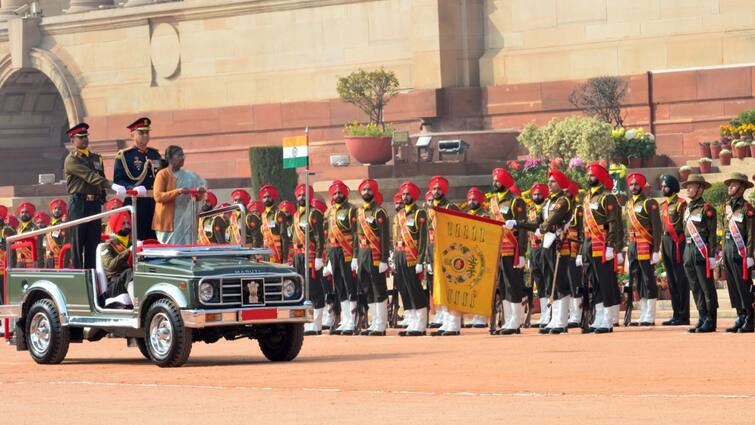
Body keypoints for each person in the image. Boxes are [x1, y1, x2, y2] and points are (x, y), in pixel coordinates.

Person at [512, 169, 573, 334]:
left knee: (559, 282)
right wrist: (518, 224)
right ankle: (554, 318)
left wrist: (542, 228)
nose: (550, 184)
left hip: (558, 243)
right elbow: (537, 223)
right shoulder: (547, 203)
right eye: (550, 181)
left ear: (560, 184)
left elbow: (552, 219)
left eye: (553, 181)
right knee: (551, 281)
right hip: (547, 243)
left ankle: (562, 320)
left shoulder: (563, 201)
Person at [581, 163, 624, 334]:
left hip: (602, 243)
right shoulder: (587, 198)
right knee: (595, 282)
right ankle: (598, 317)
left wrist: (611, 246)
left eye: (592, 175)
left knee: (605, 281)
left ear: (598, 178)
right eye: (589, 175)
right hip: (589, 244)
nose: (589, 178)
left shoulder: (607, 197)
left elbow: (613, 223)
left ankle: (607, 319)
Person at [490, 168, 527, 335]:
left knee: (513, 285)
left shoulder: (515, 202)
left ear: (504, 183)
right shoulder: (493, 202)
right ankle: (508, 319)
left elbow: (524, 228)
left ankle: (516, 320)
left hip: (512, 250)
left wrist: (522, 253)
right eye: (494, 181)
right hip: (498, 251)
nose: (494, 183)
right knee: (503, 286)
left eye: (497, 181)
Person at [113, 117, 162, 241]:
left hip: (154, 202)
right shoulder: (125, 156)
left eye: (147, 133)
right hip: (136, 201)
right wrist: (133, 188)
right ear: (132, 135)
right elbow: (119, 180)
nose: (145, 136)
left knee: (155, 239)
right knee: (138, 239)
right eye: (141, 133)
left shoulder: (154, 154)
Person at [425, 176, 463, 336]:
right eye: (433, 189)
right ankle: (446, 321)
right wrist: (427, 258)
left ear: (444, 191)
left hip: (449, 252)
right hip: (434, 252)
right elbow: (427, 234)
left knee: (451, 286)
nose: (436, 191)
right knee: (439, 287)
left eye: (439, 189)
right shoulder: (429, 208)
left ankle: (454, 324)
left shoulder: (450, 206)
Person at [354, 179, 392, 336]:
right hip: (362, 254)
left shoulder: (379, 212)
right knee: (367, 288)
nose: (366, 193)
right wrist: (355, 257)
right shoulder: (359, 212)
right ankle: (374, 321)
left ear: (374, 192)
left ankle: (381, 325)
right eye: (364, 190)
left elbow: (384, 236)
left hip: (375, 254)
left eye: (369, 190)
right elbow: (356, 236)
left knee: (379, 288)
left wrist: (384, 259)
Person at [624, 173, 662, 326]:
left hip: (645, 243)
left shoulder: (649, 203)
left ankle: (650, 315)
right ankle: (643, 313)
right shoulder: (628, 204)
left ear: (641, 186)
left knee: (648, 278)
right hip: (633, 244)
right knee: (637, 279)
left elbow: (657, 227)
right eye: (632, 184)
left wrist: (656, 250)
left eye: (636, 184)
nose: (634, 187)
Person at [682, 175, 718, 333]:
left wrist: (711, 255)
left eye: (692, 186)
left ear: (700, 189)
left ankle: (710, 319)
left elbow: (711, 234)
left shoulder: (707, 209)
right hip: (688, 251)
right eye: (687, 186)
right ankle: (702, 316)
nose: (688, 189)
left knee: (706, 287)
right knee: (695, 287)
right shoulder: (688, 209)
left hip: (701, 251)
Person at [324, 181, 359, 335]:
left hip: (347, 252)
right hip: (334, 251)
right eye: (335, 193)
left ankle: (352, 320)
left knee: (349, 285)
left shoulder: (352, 210)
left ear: (345, 194)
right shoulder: (330, 212)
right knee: (339, 286)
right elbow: (327, 237)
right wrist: (327, 261)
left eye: (340, 193)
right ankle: (345, 320)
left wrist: (355, 257)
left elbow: (356, 235)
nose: (337, 195)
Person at [393, 181, 428, 336]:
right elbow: (395, 237)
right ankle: (411, 321)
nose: (405, 197)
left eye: (408, 194)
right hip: (400, 255)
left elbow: (423, 238)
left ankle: (420, 323)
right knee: (404, 289)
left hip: (412, 256)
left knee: (415, 289)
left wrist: (421, 260)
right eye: (403, 194)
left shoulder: (419, 213)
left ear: (413, 196)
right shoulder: (400, 215)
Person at [290, 184, 326, 336]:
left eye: (304, 195)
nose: (301, 197)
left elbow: (319, 238)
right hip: (298, 255)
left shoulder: (314, 214)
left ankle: (316, 324)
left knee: (314, 289)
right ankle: (307, 322)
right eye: (299, 195)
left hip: (310, 255)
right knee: (302, 290)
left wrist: (318, 256)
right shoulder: (296, 215)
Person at [153, 146, 206, 244]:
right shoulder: (162, 174)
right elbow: (158, 196)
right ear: (170, 158)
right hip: (167, 220)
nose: (182, 158)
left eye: (183, 155)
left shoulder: (189, 176)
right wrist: (178, 192)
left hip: (184, 219)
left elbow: (197, 198)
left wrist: (199, 193)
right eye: (179, 155)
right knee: (169, 250)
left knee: (186, 248)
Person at [722, 173, 754, 333]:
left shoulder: (747, 208)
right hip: (727, 250)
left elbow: (751, 233)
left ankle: (750, 318)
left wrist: (749, 254)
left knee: (743, 286)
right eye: (730, 185)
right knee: (733, 286)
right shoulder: (727, 207)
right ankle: (740, 316)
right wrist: (721, 252)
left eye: (733, 185)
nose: (730, 187)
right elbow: (724, 230)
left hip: (740, 253)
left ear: (742, 188)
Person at [658, 175, 690, 326]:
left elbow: (685, 226)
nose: (663, 188)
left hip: (678, 242)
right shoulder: (663, 205)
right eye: (662, 186)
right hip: (666, 242)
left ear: (673, 187)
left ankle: (684, 315)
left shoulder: (681, 204)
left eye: (666, 186)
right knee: (671, 280)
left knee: (680, 280)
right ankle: (676, 313)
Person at [464, 186, 490, 328]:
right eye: (470, 199)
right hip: (468, 255)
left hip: (481, 255)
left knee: (481, 287)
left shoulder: (484, 216)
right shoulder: (466, 214)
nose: (472, 201)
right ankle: (475, 315)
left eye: (474, 199)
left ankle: (482, 317)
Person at [101, 211, 134, 308]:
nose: (127, 226)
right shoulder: (107, 245)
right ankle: (139, 305)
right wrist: (128, 252)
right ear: (116, 225)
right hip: (115, 284)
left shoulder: (133, 243)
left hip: (129, 280)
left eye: (128, 223)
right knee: (130, 272)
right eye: (123, 223)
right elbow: (110, 266)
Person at [565, 181, 584, 328]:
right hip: (562, 250)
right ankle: (569, 313)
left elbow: (582, 231)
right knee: (565, 283)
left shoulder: (577, 209)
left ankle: (577, 315)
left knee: (574, 283)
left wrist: (580, 253)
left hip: (573, 250)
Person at [259, 185, 289, 264]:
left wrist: (285, 257)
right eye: (264, 197)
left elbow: (284, 237)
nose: (266, 199)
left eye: (268, 196)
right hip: (266, 253)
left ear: (273, 197)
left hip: (277, 253)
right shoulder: (263, 215)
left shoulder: (279, 214)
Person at [44, 199, 70, 269]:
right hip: (49, 259)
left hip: (60, 258)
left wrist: (65, 224)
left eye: (59, 209)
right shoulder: (49, 225)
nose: (57, 210)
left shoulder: (65, 224)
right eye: (55, 208)